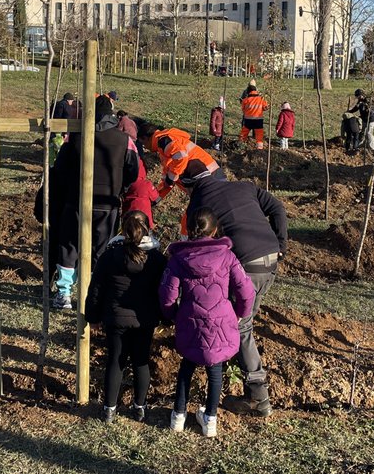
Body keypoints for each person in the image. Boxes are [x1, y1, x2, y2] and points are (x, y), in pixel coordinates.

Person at [184, 173, 287, 417]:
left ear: (191, 187)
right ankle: (236, 361)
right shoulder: (246, 185)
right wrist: (281, 244)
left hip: (246, 263)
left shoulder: (199, 200)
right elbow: (278, 207)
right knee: (243, 319)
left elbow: (199, 243)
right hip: (269, 257)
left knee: (241, 325)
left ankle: (257, 397)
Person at [159, 208, 255, 438]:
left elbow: (167, 294)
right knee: (215, 368)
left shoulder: (178, 259)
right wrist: (241, 313)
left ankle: (178, 416)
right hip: (221, 319)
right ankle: (210, 419)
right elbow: (246, 290)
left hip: (190, 317)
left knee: (187, 366)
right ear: (214, 230)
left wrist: (173, 315)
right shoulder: (227, 256)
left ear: (190, 229)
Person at [41, 94, 140, 309]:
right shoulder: (125, 140)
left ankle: (64, 293)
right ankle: (95, 293)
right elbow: (134, 171)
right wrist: (120, 188)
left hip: (75, 201)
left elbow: (60, 167)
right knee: (102, 250)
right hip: (108, 204)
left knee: (69, 245)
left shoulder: (76, 137)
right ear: (112, 115)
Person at [86, 211, 166, 424]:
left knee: (115, 361)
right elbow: (165, 291)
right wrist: (166, 316)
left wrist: (92, 316)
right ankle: (139, 407)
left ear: (122, 229)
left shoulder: (110, 256)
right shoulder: (157, 259)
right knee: (141, 362)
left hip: (115, 319)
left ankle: (109, 410)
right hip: (144, 320)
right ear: (148, 229)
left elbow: (96, 289)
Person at [146, 127, 222, 200]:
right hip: (209, 176)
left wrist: (170, 179)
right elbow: (168, 181)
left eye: (142, 142)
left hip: (209, 176)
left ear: (146, 138)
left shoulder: (164, 141)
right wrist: (154, 200)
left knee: (213, 205)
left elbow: (181, 157)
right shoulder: (164, 147)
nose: (144, 146)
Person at [122, 158, 159, 228]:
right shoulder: (146, 184)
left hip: (128, 216)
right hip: (144, 217)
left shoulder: (126, 184)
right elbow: (155, 197)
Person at [240, 84, 268, 149]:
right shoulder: (261, 99)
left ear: (248, 92)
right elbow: (265, 108)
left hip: (248, 120)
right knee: (259, 134)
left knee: (244, 133)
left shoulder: (245, 100)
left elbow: (243, 110)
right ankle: (259, 148)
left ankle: (240, 145)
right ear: (256, 91)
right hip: (258, 120)